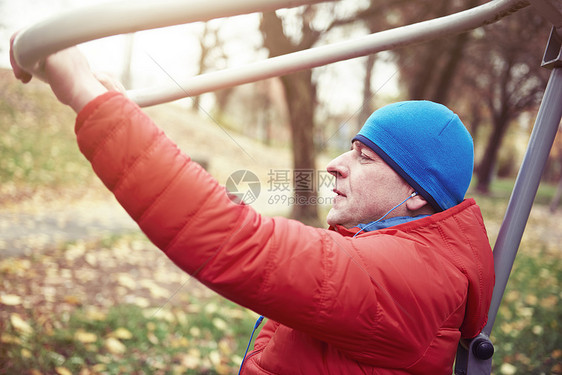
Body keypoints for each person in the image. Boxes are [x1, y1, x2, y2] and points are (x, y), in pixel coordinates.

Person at [10, 37, 494, 374]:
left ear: (416, 194)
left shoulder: (408, 279)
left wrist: (86, 97)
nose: (334, 165)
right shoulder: (403, 257)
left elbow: (238, 243)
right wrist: (116, 107)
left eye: (365, 157)